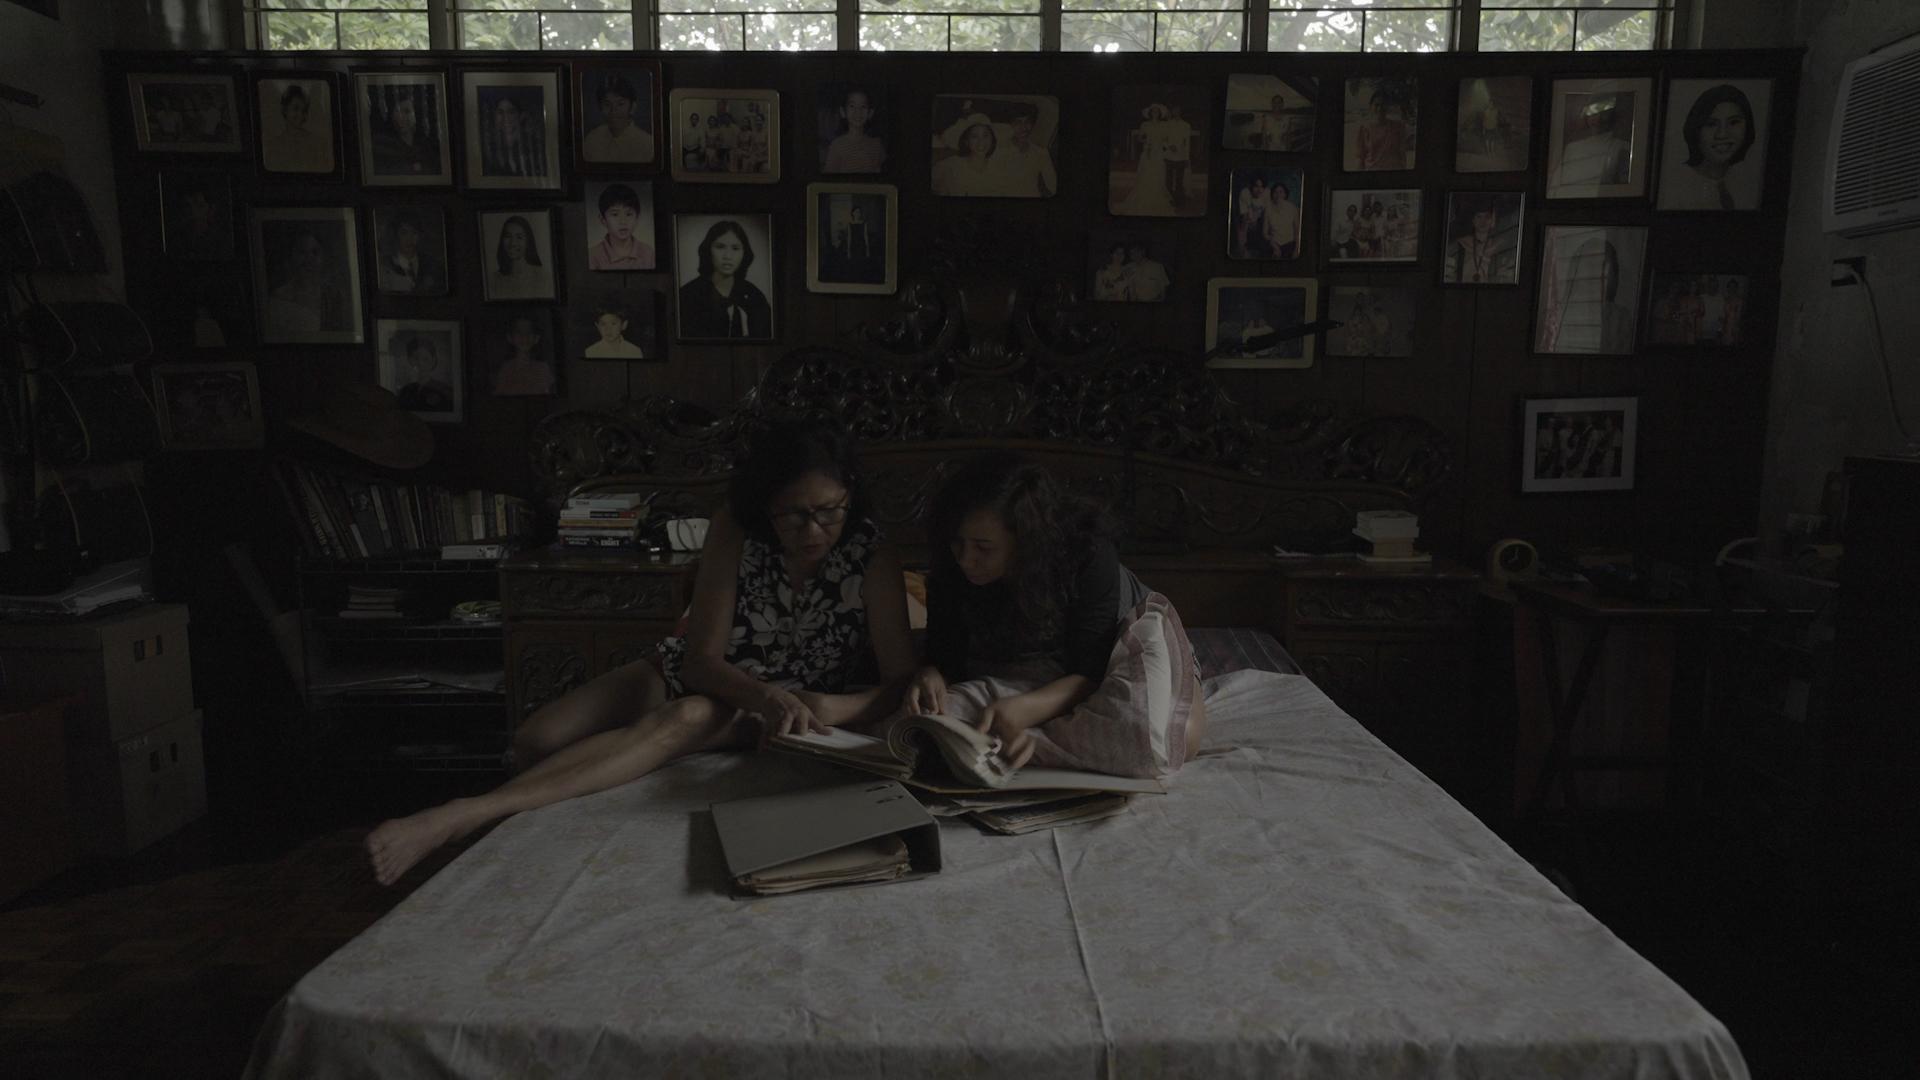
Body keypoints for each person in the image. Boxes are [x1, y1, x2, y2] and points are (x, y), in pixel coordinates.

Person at [366, 423, 918, 886]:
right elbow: (700, 662)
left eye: (829, 511)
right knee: (535, 740)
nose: (813, 529)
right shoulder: (734, 527)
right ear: (765, 503)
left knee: (685, 717)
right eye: (793, 514)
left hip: (776, 709)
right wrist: (763, 694)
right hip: (719, 678)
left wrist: (820, 706)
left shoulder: (871, 554)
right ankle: (565, 802)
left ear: (849, 495)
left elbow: (899, 682)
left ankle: (464, 815)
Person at [900, 451, 1206, 776]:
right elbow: (944, 656)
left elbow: (1090, 671)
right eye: (957, 544)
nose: (966, 559)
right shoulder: (951, 566)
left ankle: (1020, 743)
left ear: (1024, 540)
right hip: (1036, 671)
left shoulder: (1088, 554)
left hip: (1116, 652)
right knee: (920, 724)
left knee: (1175, 740)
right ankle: (1026, 742)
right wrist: (931, 674)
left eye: (983, 548)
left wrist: (1021, 712)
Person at [1663, 84, 1759, 210]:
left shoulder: (1747, 182)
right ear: (1696, 129)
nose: (1722, 134)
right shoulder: (1676, 187)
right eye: (1711, 124)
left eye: (1733, 122)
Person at [678, 219, 772, 339]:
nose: (727, 256)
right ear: (708, 250)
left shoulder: (755, 297)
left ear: (744, 253)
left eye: (735, 248)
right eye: (720, 247)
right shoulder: (687, 296)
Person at [264, 228, 350, 339]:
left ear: (323, 258)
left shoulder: (333, 296)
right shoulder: (278, 298)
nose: (309, 259)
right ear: (291, 257)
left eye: (315, 252)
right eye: (302, 252)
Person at [1557, 94, 1633, 189]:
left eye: (1604, 114)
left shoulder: (1621, 147)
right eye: (1594, 113)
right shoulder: (1572, 148)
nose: (1598, 119)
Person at [1116, 104, 1177, 215]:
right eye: (1153, 111)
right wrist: (1146, 142)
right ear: (1150, 113)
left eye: (1157, 111)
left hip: (1159, 153)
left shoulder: (1163, 125)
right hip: (1148, 152)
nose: (1155, 113)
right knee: (1146, 174)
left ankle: (1156, 198)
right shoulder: (1145, 125)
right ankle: (1144, 197)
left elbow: (1165, 140)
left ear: (1159, 113)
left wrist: (1170, 147)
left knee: (1158, 174)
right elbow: (1139, 138)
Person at [989, 103, 1057, 197]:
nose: (1024, 128)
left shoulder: (1041, 153)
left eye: (1027, 122)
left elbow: (1053, 185)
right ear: (1011, 125)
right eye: (1018, 123)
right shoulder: (998, 150)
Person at [582, 74, 653, 164]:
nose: (613, 111)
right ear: (600, 108)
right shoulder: (592, 139)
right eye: (607, 104)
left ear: (632, 107)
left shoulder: (647, 144)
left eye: (620, 104)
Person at [369, 90, 440, 177]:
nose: (401, 117)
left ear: (416, 115)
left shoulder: (428, 146)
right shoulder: (383, 145)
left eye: (407, 111)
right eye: (397, 112)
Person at [263, 82, 331, 173]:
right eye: (296, 108)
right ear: (285, 110)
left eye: (303, 111)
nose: (300, 114)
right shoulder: (275, 146)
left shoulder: (317, 144)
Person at [1443, 198, 1513, 284]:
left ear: (1492, 220)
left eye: (1487, 217)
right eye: (1479, 217)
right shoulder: (1460, 245)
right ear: (1473, 220)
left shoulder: (1498, 246)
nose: (1483, 221)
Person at [587, 183, 654, 271]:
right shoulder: (593, 256)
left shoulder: (648, 253)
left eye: (628, 214)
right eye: (615, 214)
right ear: (603, 220)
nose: (623, 222)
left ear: (637, 218)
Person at [376, 211, 445, 295]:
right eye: (404, 233)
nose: (409, 239)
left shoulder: (432, 264)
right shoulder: (385, 265)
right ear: (396, 235)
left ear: (420, 235)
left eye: (414, 233)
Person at [480, 92, 546, 179]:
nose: (505, 118)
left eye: (511, 112)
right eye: (500, 112)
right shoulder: (488, 149)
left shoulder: (535, 147)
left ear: (521, 116)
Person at [932, 114, 1000, 197]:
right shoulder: (949, 166)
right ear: (966, 141)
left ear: (992, 140)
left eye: (985, 136)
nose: (981, 141)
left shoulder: (999, 167)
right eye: (974, 136)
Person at [823, 87, 886, 173]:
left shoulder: (876, 144)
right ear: (843, 111)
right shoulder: (837, 146)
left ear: (870, 113)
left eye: (863, 106)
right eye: (852, 106)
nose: (858, 111)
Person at [488, 215, 549, 300]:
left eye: (519, 237)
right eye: (508, 236)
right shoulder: (494, 280)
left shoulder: (543, 277)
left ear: (528, 241)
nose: (513, 243)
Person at [492, 315, 555, 395]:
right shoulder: (505, 369)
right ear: (510, 337)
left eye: (529, 332)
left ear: (536, 338)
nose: (524, 336)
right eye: (519, 332)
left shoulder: (543, 368)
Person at [393, 335, 454, 413]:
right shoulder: (405, 391)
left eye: (425, 359)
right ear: (409, 360)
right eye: (416, 358)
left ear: (433, 360)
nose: (420, 364)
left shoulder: (444, 390)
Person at [1354, 91, 1409, 171]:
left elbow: (1402, 153)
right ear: (1370, 106)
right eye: (1377, 105)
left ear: (1388, 107)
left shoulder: (1398, 127)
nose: (1380, 108)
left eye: (1383, 105)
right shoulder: (1364, 128)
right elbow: (1360, 157)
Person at [1233, 174, 1270, 258]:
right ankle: (1243, 248)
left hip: (1262, 219)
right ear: (1251, 186)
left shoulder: (1267, 193)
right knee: (1245, 223)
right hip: (1248, 219)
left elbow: (1267, 214)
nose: (1259, 190)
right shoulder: (1245, 193)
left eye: (1262, 187)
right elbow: (1245, 216)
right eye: (1256, 186)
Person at [1263, 179, 1299, 258]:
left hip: (1290, 244)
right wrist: (1273, 244)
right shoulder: (1268, 208)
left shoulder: (1292, 208)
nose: (1278, 195)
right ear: (1272, 194)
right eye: (1275, 192)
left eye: (1281, 192)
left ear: (1285, 194)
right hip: (1274, 243)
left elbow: (1297, 232)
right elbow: (1265, 233)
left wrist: (1296, 249)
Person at [1719, 278, 1744, 345]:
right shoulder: (1725, 299)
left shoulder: (1739, 300)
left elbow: (1739, 317)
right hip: (1725, 327)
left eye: (1734, 286)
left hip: (1734, 328)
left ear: (1736, 288)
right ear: (1728, 288)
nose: (1732, 288)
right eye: (1730, 286)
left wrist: (1735, 329)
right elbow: (1723, 315)